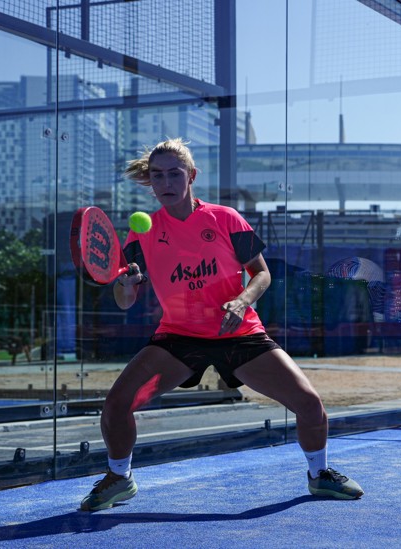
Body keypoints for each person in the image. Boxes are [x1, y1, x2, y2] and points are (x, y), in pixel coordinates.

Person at [80, 138, 363, 512]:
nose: (165, 181)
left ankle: (320, 474)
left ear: (191, 176)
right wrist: (125, 284)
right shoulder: (142, 231)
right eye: (157, 175)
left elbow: (261, 274)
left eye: (174, 173)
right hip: (178, 338)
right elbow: (125, 300)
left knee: (309, 404)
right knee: (117, 404)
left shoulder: (226, 218)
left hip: (240, 333)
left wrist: (243, 300)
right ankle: (120, 478)